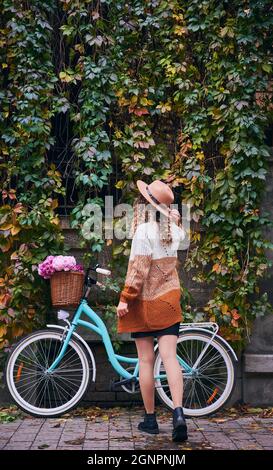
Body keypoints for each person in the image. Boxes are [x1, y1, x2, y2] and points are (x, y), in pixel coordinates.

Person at [116, 179, 188, 442]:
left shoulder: (143, 231)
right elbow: (177, 234)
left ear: (145, 207)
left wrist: (125, 299)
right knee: (170, 358)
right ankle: (179, 414)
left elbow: (138, 271)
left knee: (146, 360)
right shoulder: (176, 233)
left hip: (145, 304)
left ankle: (150, 420)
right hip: (169, 301)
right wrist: (175, 219)